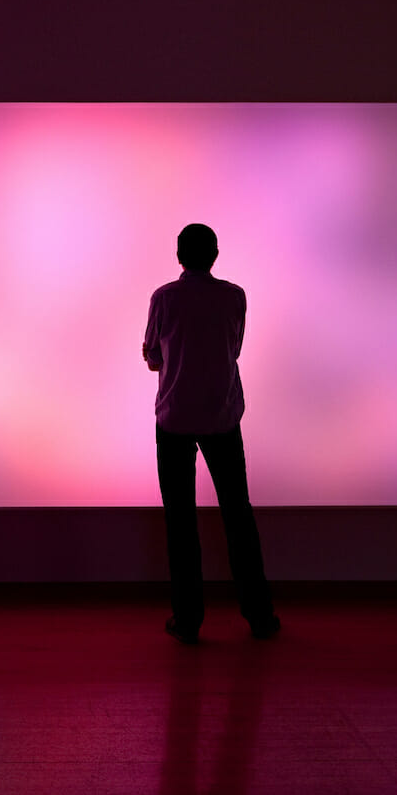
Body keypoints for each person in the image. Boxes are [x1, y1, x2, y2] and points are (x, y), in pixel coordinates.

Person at [143, 223, 280, 644]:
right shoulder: (234, 296)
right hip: (222, 414)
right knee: (238, 514)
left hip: (175, 417)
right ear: (215, 255)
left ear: (178, 255)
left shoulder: (164, 298)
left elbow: (152, 357)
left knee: (180, 520)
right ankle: (259, 615)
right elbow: (233, 348)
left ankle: (187, 620)